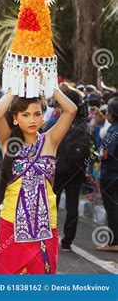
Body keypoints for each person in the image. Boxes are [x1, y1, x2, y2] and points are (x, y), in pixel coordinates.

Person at [0, 88, 77, 274]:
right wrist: (15, 87)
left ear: (43, 117)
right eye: (25, 114)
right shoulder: (9, 142)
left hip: (45, 227)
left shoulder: (50, 140)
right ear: (15, 118)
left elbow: (71, 110)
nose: (32, 120)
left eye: (37, 114)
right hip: (11, 225)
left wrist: (50, 85)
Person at [49, 86, 90, 251]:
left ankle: (50, 235)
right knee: (73, 204)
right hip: (77, 170)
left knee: (53, 202)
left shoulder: (56, 122)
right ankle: (67, 242)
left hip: (58, 169)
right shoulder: (84, 125)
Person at [96, 100, 118, 252]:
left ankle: (113, 242)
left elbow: (104, 154)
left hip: (110, 175)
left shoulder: (112, 131)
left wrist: (95, 152)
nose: (106, 115)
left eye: (108, 112)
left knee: (112, 209)